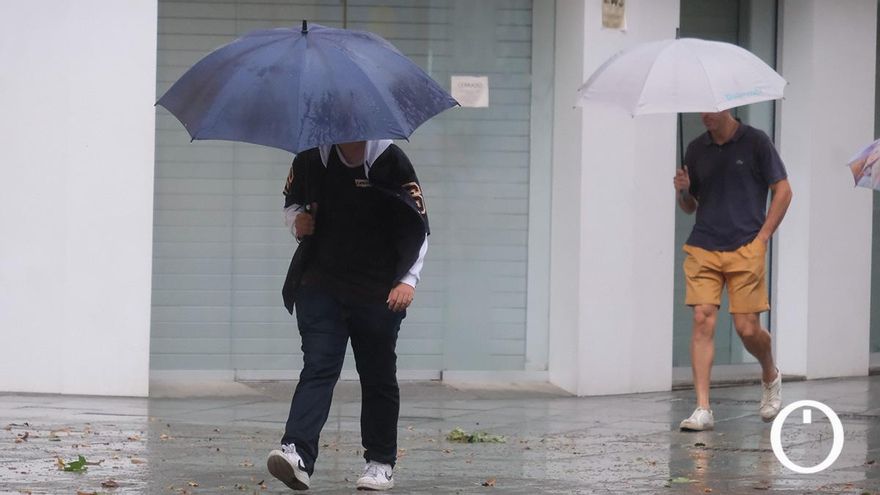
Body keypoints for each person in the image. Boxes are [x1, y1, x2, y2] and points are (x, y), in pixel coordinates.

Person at [267, 139, 429, 491]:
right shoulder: (310, 158)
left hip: (378, 290)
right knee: (319, 365)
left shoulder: (389, 160)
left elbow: (417, 223)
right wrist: (298, 221)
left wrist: (408, 280)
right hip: (320, 284)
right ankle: (297, 452)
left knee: (377, 375)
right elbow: (290, 203)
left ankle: (380, 461)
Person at [673, 110, 792, 431]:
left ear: (727, 107)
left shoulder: (756, 142)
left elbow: (783, 190)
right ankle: (702, 408)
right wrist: (683, 190)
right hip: (703, 245)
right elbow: (690, 205)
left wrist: (763, 237)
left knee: (747, 329)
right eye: (701, 110)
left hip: (745, 246)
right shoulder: (696, 148)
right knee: (702, 318)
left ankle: (769, 372)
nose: (705, 116)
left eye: (711, 110)